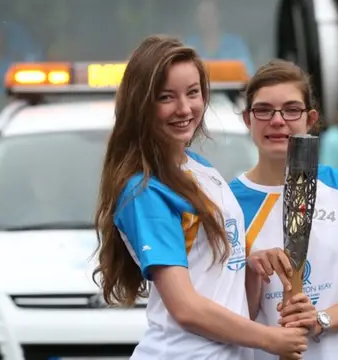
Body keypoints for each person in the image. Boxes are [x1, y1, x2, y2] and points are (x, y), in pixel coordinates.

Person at [92, 35, 308, 360]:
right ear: (142, 104)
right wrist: (270, 339)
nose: (185, 108)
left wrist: (250, 268)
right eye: (166, 97)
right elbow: (185, 308)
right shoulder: (146, 191)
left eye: (193, 93)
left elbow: (230, 299)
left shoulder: (202, 170)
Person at [229, 59, 338, 360]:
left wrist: (320, 320)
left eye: (291, 109)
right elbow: (227, 309)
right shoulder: (226, 203)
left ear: (310, 119)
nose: (278, 120)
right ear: (247, 119)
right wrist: (252, 272)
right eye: (264, 110)